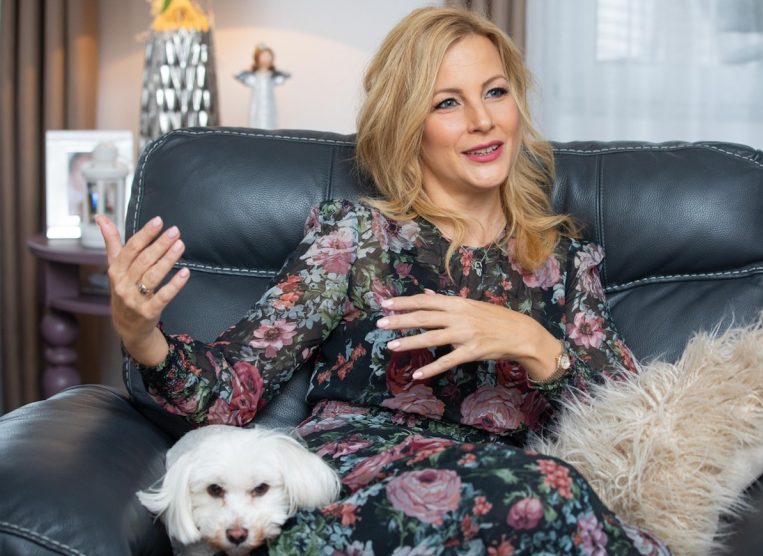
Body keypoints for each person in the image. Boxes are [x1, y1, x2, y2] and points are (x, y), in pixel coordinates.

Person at [97, 7, 670, 555]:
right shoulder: (357, 238)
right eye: (448, 102)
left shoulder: (563, 260)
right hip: (366, 478)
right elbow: (230, 391)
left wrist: (535, 344)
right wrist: (142, 335)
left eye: (496, 92)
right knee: (548, 493)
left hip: (510, 495)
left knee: (547, 495)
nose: (483, 120)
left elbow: (634, 429)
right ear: (407, 123)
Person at [235, 43, 291, 129]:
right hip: (257, 104)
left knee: (270, 122)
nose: (266, 59)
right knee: (257, 122)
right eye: (263, 56)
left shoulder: (272, 76)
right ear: (257, 58)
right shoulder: (254, 76)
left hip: (269, 105)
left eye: (268, 56)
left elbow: (286, 74)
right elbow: (238, 74)